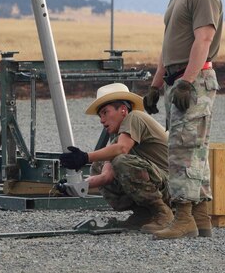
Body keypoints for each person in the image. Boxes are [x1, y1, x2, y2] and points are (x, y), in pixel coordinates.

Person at [143, 0, 223, 240]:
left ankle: (184, 218)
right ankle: (201, 219)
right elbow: (169, 45)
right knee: (191, 150)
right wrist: (156, 83)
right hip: (178, 81)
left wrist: (188, 82)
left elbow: (203, 39)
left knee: (183, 152)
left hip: (193, 80)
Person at [59, 83, 174, 232]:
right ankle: (144, 213)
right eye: (100, 115)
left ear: (123, 110)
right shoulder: (119, 136)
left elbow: (122, 149)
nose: (101, 120)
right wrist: (76, 185)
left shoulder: (135, 117)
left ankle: (163, 213)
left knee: (120, 161)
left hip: (174, 189)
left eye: (105, 112)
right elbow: (106, 176)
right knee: (99, 164)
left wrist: (85, 157)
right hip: (161, 184)